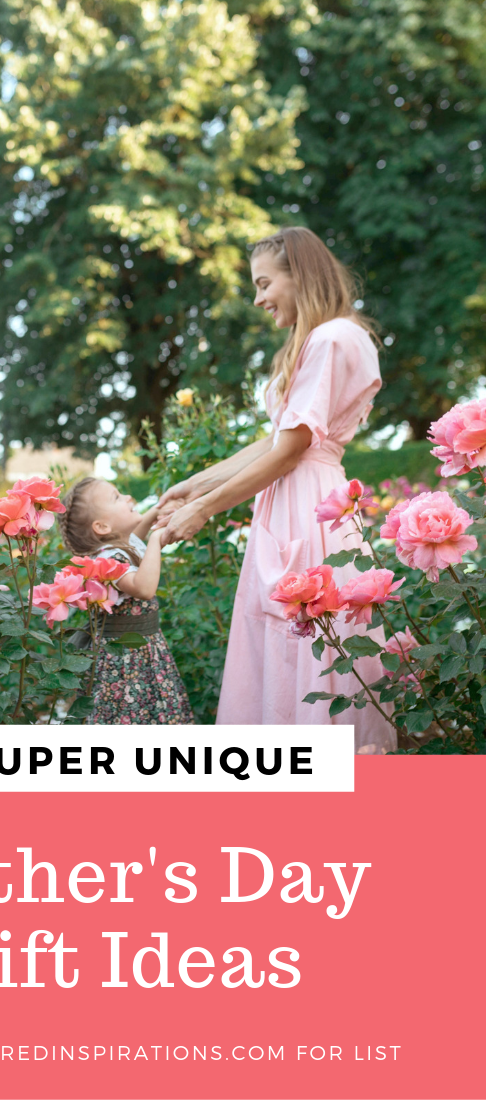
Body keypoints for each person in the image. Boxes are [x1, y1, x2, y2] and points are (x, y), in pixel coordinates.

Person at [156, 226, 395, 753]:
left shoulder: (332, 337)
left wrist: (204, 512)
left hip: (308, 504)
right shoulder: (323, 339)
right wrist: (192, 487)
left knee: (312, 652)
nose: (259, 298)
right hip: (300, 498)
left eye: (265, 283)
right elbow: (277, 440)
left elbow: (290, 451)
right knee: (294, 649)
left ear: (300, 276)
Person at [59, 478, 194, 724]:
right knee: (131, 712)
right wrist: (157, 538)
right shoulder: (107, 560)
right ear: (102, 526)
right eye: (117, 497)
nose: (128, 498)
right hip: (125, 660)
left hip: (142, 649)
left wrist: (158, 509)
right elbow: (143, 588)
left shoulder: (120, 544)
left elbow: (136, 540)